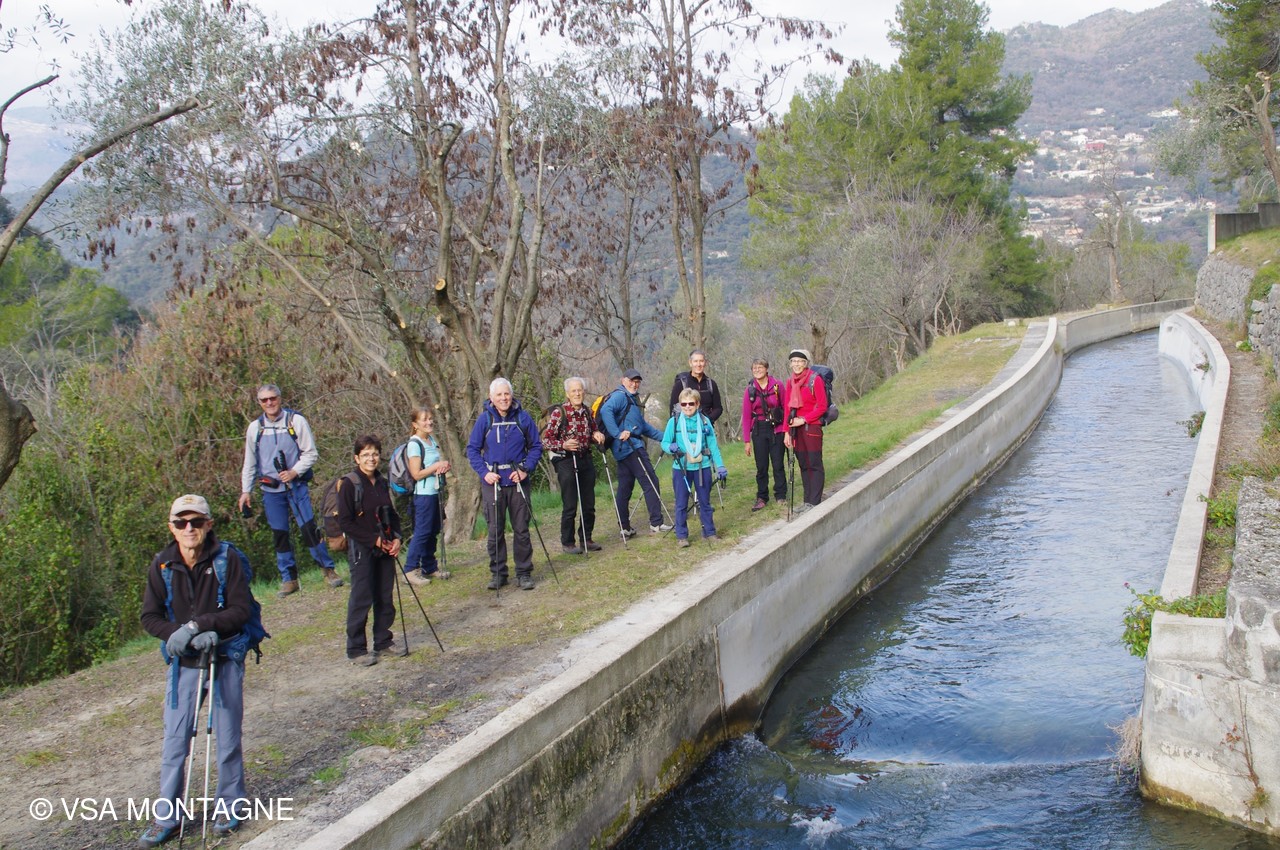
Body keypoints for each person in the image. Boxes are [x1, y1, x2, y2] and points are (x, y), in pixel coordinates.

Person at [137, 494, 249, 847]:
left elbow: (241, 609)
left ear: (208, 524)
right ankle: (167, 817)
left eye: (196, 522)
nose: (189, 528)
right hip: (183, 664)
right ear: (171, 528)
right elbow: (149, 616)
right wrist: (179, 634)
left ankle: (231, 805)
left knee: (227, 737)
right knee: (175, 741)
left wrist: (201, 625)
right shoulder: (162, 565)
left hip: (224, 657)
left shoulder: (227, 559)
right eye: (181, 522)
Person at [237, 384, 343, 596]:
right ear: (259, 403)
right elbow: (250, 462)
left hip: (297, 486)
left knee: (309, 529)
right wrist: (245, 491)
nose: (269, 403)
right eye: (264, 400)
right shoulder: (255, 428)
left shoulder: (296, 421)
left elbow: (311, 453)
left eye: (273, 398)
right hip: (270, 491)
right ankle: (289, 579)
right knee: (280, 534)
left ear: (280, 398)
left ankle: (328, 570)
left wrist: (294, 472)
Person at [466, 378, 544, 590]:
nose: (503, 398)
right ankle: (498, 573)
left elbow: (536, 446)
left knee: (521, 529)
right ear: (491, 398)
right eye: (499, 395)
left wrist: (525, 469)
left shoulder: (523, 418)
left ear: (512, 395)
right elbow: (472, 450)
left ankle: (524, 573)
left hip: (518, 481)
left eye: (506, 394)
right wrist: (485, 473)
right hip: (493, 483)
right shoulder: (484, 420)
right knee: (495, 530)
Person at [337, 435, 402, 665]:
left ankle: (383, 640)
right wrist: (373, 540)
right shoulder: (349, 484)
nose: (371, 458)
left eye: (374, 453)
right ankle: (356, 649)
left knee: (384, 595)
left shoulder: (382, 482)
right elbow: (345, 522)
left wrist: (397, 537)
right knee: (362, 597)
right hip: (361, 549)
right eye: (365, 454)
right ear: (357, 458)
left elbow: (391, 513)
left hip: (385, 547)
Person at [600, 368, 672, 537]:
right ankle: (656, 523)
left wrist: (667, 438)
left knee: (625, 488)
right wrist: (617, 433)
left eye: (637, 381)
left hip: (623, 450)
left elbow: (643, 427)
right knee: (651, 481)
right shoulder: (620, 396)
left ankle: (625, 527)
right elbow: (605, 411)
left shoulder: (631, 400)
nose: (635, 384)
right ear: (623, 380)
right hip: (631, 448)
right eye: (631, 381)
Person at [541, 377, 606, 554]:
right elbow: (545, 441)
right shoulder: (559, 413)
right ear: (567, 394)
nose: (577, 394)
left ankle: (586, 538)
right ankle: (568, 542)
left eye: (579, 390)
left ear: (583, 392)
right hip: (566, 460)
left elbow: (593, 430)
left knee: (589, 503)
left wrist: (597, 435)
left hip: (585, 458)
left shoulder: (587, 411)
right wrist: (563, 445)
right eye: (573, 391)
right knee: (570, 504)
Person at [662, 388, 727, 547]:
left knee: (705, 502)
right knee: (681, 503)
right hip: (681, 469)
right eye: (683, 404)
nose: (687, 407)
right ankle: (682, 536)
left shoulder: (705, 421)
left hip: (702, 467)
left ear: (697, 404)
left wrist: (720, 466)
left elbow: (713, 446)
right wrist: (670, 448)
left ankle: (709, 532)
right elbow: (664, 443)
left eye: (691, 403)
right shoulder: (674, 422)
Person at [403, 406, 451, 585]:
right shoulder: (414, 444)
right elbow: (416, 474)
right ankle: (409, 570)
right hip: (423, 495)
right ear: (415, 424)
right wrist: (436, 466)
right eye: (424, 419)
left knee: (433, 531)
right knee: (422, 532)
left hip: (435, 492)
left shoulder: (431, 440)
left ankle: (429, 567)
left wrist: (442, 467)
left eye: (430, 418)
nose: (429, 422)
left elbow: (431, 467)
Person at [782, 349, 828, 511]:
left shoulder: (815, 380)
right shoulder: (790, 382)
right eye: (793, 361)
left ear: (806, 363)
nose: (796, 364)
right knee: (803, 464)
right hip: (796, 430)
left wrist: (804, 419)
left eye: (799, 361)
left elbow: (822, 406)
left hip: (812, 427)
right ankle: (807, 501)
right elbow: (788, 408)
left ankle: (814, 501)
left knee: (814, 463)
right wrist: (786, 432)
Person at [741, 358, 788, 511]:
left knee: (778, 464)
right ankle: (762, 497)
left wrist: (786, 430)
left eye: (760, 367)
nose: (757, 370)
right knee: (761, 466)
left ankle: (781, 495)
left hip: (777, 428)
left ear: (767, 369)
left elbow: (786, 408)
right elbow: (746, 416)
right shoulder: (750, 390)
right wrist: (747, 441)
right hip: (759, 429)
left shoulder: (777, 385)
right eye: (754, 368)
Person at [668, 349, 723, 423]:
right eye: (695, 361)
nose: (698, 364)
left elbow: (718, 408)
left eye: (701, 361)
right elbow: (673, 409)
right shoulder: (680, 384)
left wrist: (707, 420)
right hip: (686, 427)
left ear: (705, 363)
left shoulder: (711, 384)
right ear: (690, 363)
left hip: (706, 427)